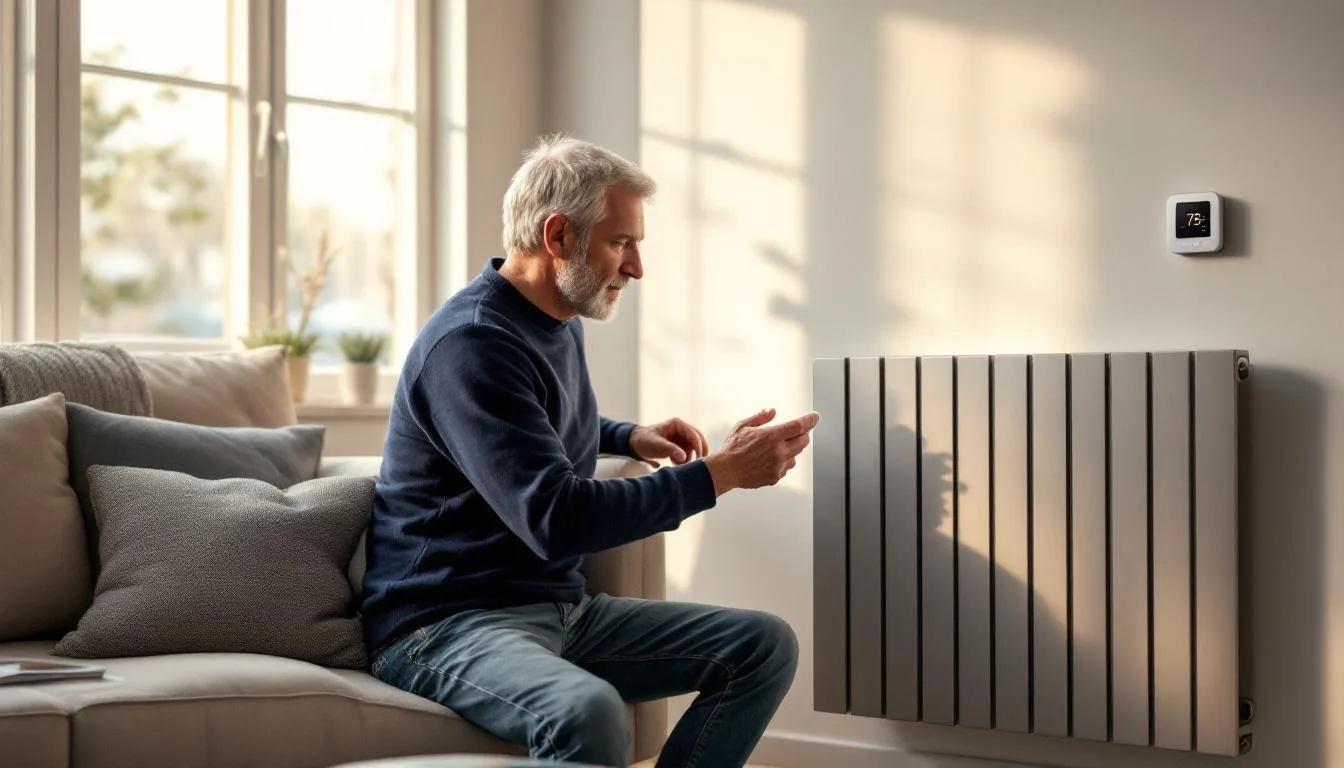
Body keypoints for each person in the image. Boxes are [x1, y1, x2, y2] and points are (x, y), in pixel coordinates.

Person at [360, 135, 820, 768]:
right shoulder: (471, 344)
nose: (636, 268)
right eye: (621, 242)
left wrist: (625, 435)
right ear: (557, 236)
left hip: (558, 609)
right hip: (443, 623)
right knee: (587, 711)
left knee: (763, 646)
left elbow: (525, 423)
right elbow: (557, 519)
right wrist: (719, 475)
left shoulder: (553, 320)